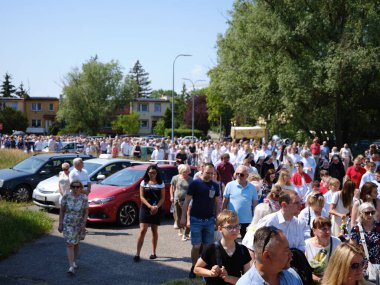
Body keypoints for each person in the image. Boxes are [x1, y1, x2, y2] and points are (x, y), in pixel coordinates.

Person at [180, 163, 221, 279]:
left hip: (209, 220)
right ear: (202, 170)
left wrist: (218, 218)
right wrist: (183, 217)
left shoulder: (215, 185)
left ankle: (203, 268)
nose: (210, 175)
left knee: (207, 247)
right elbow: (187, 201)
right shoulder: (195, 184)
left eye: (212, 173)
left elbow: (218, 203)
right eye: (208, 173)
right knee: (197, 246)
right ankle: (194, 267)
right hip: (196, 219)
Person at [194, 210, 251, 285]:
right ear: (220, 229)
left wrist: (228, 278)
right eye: (230, 227)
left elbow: (247, 280)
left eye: (237, 226)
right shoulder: (212, 248)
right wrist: (211, 273)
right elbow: (196, 269)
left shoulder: (243, 250)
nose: (234, 230)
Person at [237, 226, 303, 285]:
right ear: (267, 256)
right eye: (286, 251)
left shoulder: (292, 275)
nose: (291, 254)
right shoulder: (247, 283)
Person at [134, 165, 165, 262]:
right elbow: (141, 197)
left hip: (157, 208)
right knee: (143, 230)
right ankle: (137, 254)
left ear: (157, 173)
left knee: (154, 230)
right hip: (145, 208)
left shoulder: (161, 183)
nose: (151, 175)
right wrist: (149, 206)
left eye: (154, 173)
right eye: (150, 172)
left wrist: (156, 207)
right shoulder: (144, 182)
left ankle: (153, 252)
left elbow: (163, 198)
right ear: (147, 172)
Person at [58, 180, 89, 275]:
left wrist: (84, 224)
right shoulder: (66, 196)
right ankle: (71, 266)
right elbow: (62, 211)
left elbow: (86, 212)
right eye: (73, 187)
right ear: (71, 187)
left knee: (76, 243)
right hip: (68, 223)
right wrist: (60, 223)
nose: (75, 188)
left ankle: (74, 261)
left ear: (80, 188)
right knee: (69, 244)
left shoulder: (84, 198)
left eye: (78, 187)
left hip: (79, 224)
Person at [222, 165, 258, 239]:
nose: (239, 176)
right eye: (237, 174)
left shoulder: (252, 187)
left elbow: (255, 205)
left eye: (241, 174)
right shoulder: (229, 185)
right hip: (232, 220)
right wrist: (223, 216)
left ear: (247, 176)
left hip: (247, 220)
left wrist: (255, 219)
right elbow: (224, 202)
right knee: (231, 240)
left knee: (246, 242)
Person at [305, 217, 341, 283]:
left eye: (329, 228)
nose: (328, 232)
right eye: (324, 229)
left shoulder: (337, 242)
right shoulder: (306, 245)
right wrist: (320, 280)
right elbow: (305, 271)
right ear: (314, 231)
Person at [349, 202, 380, 281]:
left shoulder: (379, 226)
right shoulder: (356, 229)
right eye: (367, 213)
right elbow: (352, 249)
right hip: (362, 268)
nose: (370, 215)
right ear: (361, 213)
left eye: (372, 212)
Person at [170, 164, 193, 240]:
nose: (185, 173)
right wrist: (172, 196)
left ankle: (185, 233)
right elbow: (172, 187)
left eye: (187, 172)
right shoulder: (175, 178)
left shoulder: (191, 179)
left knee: (187, 217)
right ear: (180, 171)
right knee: (179, 216)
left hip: (187, 201)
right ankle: (181, 231)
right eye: (184, 172)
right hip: (177, 199)